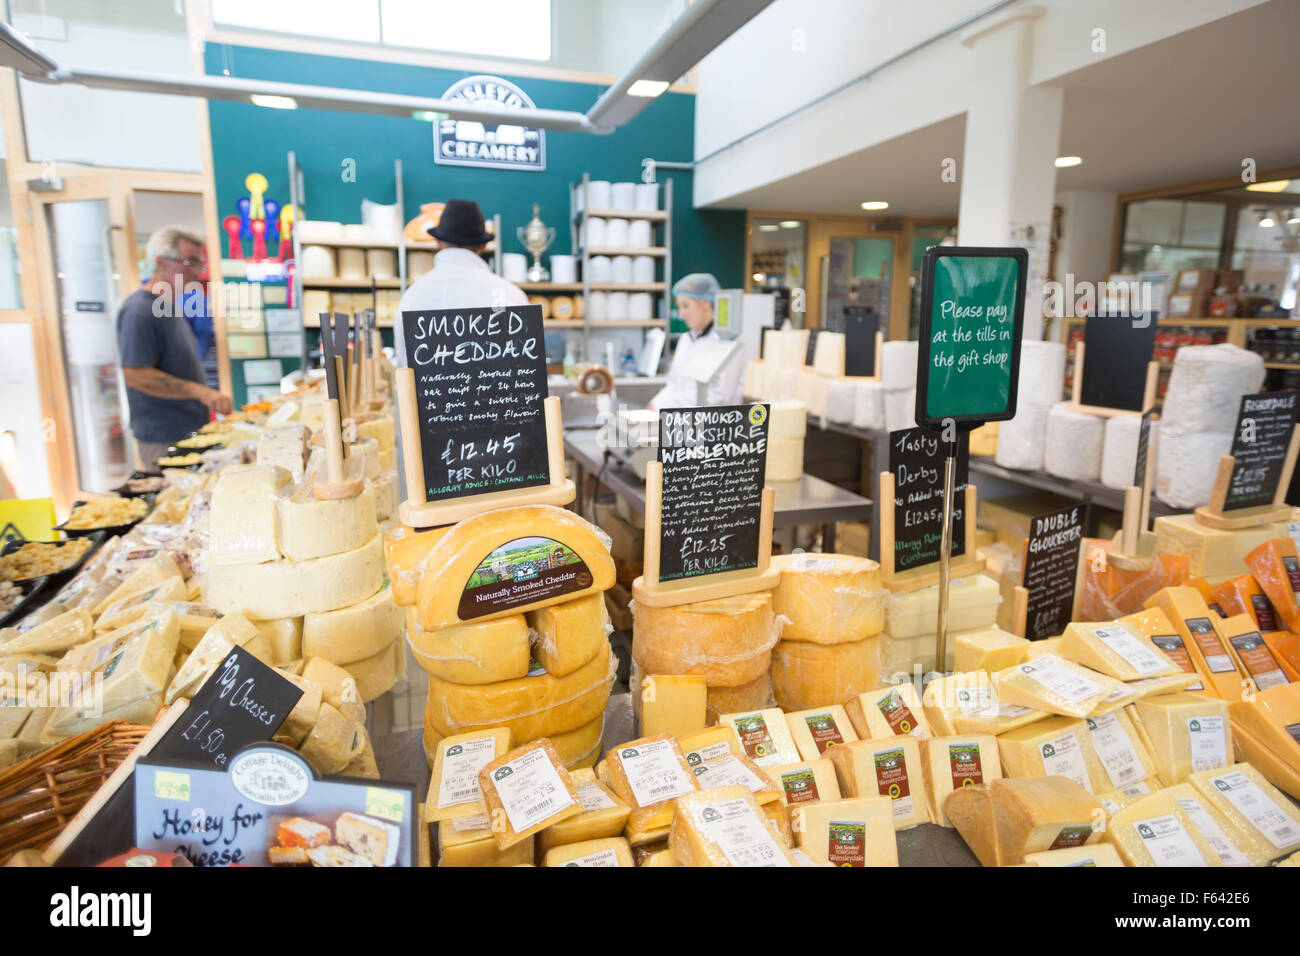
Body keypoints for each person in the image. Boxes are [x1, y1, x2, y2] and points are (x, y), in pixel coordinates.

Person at [117, 225, 232, 469]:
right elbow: (136, 375)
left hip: (189, 432)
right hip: (164, 438)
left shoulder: (170, 306)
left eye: (200, 264)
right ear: (161, 262)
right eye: (190, 262)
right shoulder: (139, 310)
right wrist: (203, 393)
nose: (198, 273)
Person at [396, 199, 527, 365]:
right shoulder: (512, 295)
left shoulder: (412, 297)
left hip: (430, 391)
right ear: (484, 245)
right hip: (501, 389)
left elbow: (403, 366)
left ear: (438, 242)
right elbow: (524, 365)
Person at [648, 273, 746, 410]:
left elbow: (720, 397)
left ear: (705, 302)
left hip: (716, 425)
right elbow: (673, 384)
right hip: (683, 420)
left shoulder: (727, 343)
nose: (681, 314)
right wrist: (654, 404)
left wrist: (668, 406)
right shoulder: (686, 339)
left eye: (686, 306)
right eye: (679, 307)